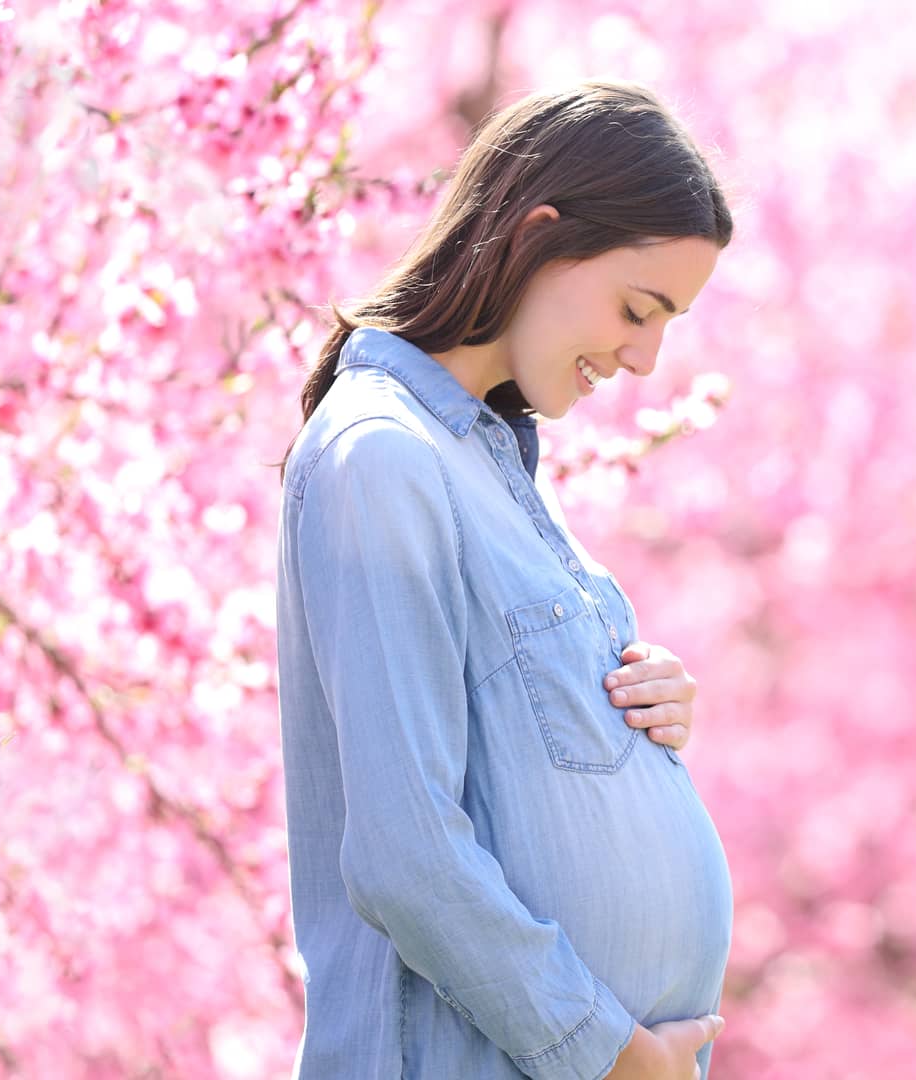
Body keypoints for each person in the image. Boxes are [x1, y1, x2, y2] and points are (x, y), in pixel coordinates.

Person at [273, 80, 735, 1079]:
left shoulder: (494, 469)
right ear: (537, 236)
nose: (648, 359)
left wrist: (642, 715)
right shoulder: (382, 458)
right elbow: (405, 855)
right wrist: (610, 1054)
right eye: (636, 308)